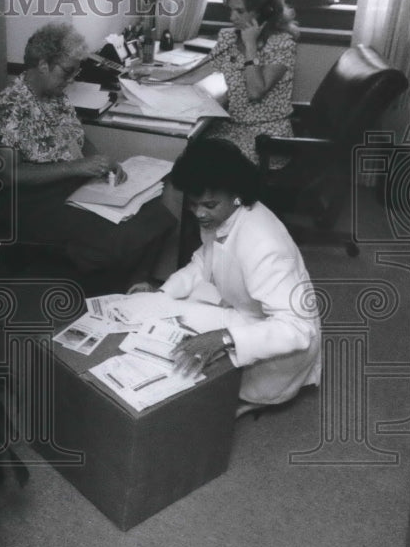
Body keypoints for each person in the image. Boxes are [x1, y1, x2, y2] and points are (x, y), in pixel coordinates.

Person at [128, 139, 321, 414]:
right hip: (247, 311)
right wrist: (162, 296)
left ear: (237, 194)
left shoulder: (264, 243)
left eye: (208, 204)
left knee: (193, 388)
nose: (199, 213)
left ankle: (258, 395)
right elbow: (201, 263)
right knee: (173, 315)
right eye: (193, 204)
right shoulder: (225, 215)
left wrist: (225, 338)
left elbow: (299, 330)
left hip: (282, 341)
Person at [0, 22, 176, 290]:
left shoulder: (56, 96)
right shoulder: (10, 107)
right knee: (116, 234)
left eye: (75, 71)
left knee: (155, 215)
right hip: (33, 201)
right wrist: (77, 168)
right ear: (42, 65)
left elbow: (79, 138)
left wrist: (102, 163)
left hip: (71, 185)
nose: (71, 79)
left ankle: (134, 288)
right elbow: (6, 175)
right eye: (67, 71)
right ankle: (110, 294)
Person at [204, 0, 300, 169]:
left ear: (264, 12)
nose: (232, 18)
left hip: (264, 138)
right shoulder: (229, 37)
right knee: (188, 149)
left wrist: (250, 47)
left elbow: (256, 91)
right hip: (231, 127)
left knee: (203, 161)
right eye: (230, 10)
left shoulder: (282, 44)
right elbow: (205, 72)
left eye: (240, 11)